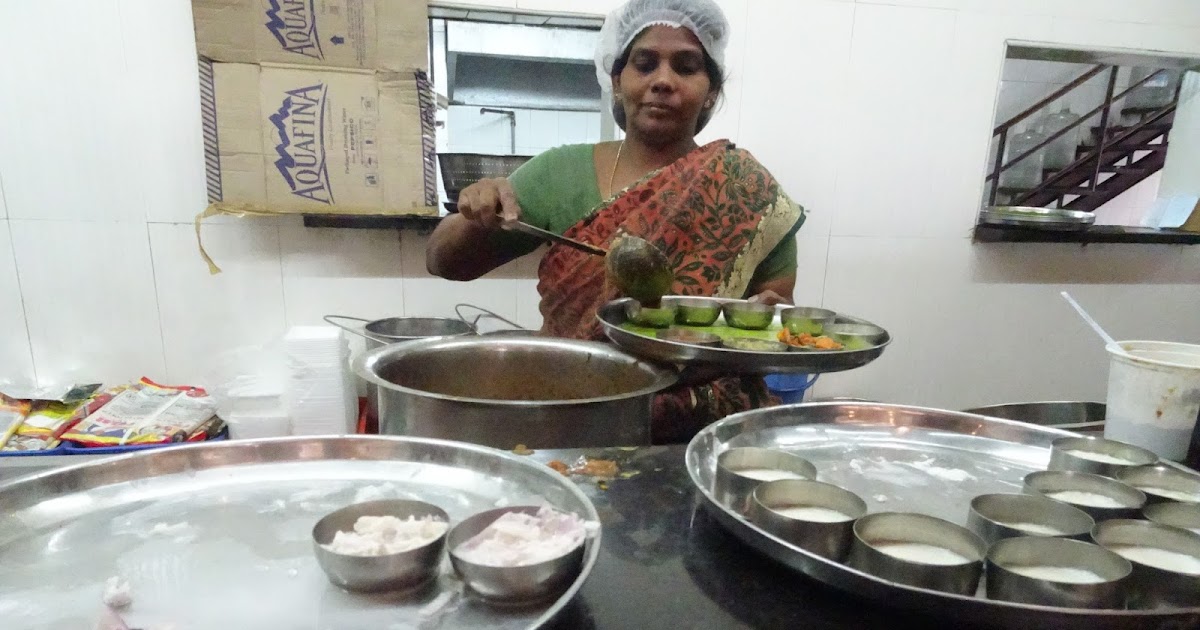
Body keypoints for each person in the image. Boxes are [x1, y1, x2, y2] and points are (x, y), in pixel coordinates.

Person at [427, 0, 805, 443]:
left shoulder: (747, 189)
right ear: (617, 81)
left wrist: (770, 321)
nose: (663, 80)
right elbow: (445, 263)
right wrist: (477, 211)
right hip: (575, 418)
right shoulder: (559, 173)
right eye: (645, 63)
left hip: (703, 436)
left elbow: (776, 313)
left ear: (710, 92)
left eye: (686, 67)